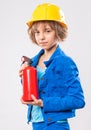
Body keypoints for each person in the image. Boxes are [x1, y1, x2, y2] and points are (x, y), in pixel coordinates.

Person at [19, 3, 85, 130]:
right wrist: (23, 76)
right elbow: (39, 90)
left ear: (58, 31)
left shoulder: (65, 62)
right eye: (37, 32)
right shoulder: (32, 62)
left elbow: (78, 100)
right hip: (36, 123)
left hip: (55, 125)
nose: (41, 37)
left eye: (47, 31)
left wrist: (44, 103)